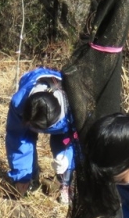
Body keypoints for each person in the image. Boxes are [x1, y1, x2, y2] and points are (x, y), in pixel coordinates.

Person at [5, 67, 77, 205]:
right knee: (24, 140)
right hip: (31, 108)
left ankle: (66, 182)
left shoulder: (75, 106)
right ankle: (30, 179)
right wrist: (22, 175)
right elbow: (17, 139)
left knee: (62, 151)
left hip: (66, 126)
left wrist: (67, 158)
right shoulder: (19, 102)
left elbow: (79, 138)